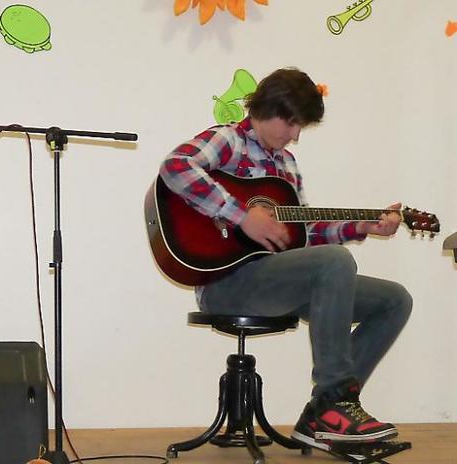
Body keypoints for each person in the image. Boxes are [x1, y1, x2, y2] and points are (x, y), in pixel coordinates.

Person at [159, 68, 412, 450]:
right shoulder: (229, 140)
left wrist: (361, 226)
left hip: (276, 282)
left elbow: (302, 237)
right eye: (291, 123)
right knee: (335, 261)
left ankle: (322, 413)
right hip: (226, 284)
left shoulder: (287, 165)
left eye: (300, 127)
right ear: (267, 108)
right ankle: (334, 401)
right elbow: (175, 167)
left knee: (395, 300)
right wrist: (241, 215)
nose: (295, 135)